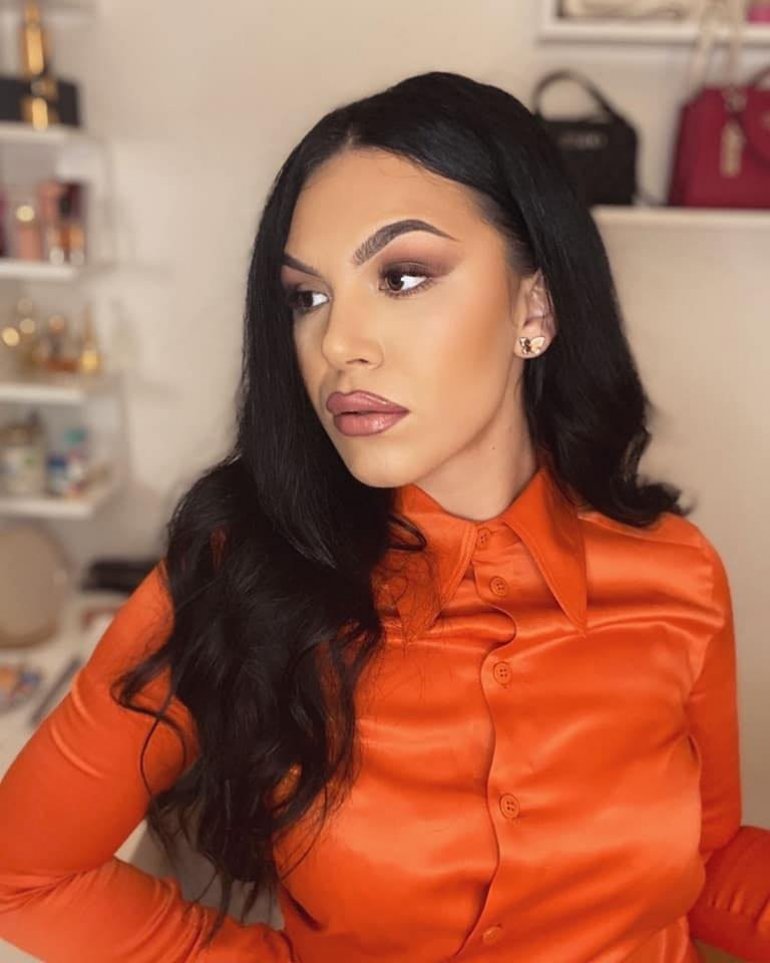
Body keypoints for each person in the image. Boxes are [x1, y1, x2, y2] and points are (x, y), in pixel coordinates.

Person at [0, 69, 767, 963]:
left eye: (402, 276)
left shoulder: (677, 571)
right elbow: (24, 872)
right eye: (306, 297)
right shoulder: (240, 573)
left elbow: (707, 859)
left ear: (536, 304)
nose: (336, 344)